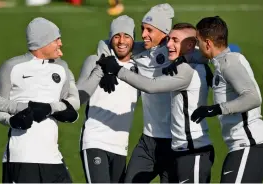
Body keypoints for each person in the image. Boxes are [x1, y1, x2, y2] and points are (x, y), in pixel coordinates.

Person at [97, 22, 215, 183]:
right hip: (166, 145)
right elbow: (106, 44)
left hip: (190, 149)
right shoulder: (179, 61)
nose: (169, 44)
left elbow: (151, 86)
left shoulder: (188, 70)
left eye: (175, 40)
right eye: (169, 39)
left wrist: (117, 70)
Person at [0, 17, 81, 183]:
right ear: (43, 42)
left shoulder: (62, 68)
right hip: (21, 157)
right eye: (56, 39)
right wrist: (13, 118)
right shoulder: (12, 67)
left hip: (53, 158)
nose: (60, 43)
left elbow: (72, 103)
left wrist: (50, 108)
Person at [97, 3, 178, 183]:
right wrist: (109, 62)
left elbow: (207, 52)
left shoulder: (178, 53)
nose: (143, 35)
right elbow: (104, 43)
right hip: (148, 142)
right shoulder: (141, 51)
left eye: (149, 30)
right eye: (142, 29)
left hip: (175, 143)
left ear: (164, 31)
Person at [190, 16, 263, 183]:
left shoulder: (230, 63)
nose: (196, 46)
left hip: (249, 144)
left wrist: (214, 109)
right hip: (241, 147)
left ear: (208, 43)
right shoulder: (221, 63)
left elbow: (253, 97)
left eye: (198, 41)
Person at [76, 15, 139, 183]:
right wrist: (101, 69)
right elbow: (77, 97)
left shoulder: (139, 65)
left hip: (120, 145)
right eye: (116, 36)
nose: (121, 41)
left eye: (127, 36)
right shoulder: (94, 60)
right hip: (95, 141)